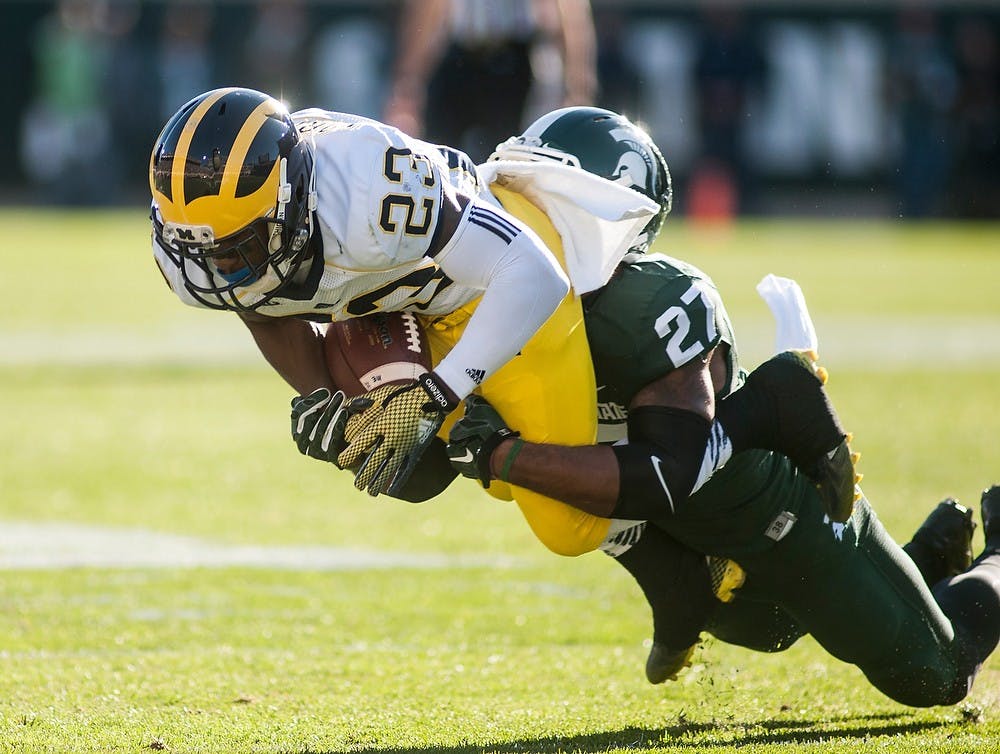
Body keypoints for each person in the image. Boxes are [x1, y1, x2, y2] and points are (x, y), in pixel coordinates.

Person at [149, 90, 855, 682]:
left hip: (490, 288)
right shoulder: (200, 243)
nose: (214, 266)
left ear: (291, 197)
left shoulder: (377, 190)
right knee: (413, 462)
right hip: (392, 300)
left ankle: (768, 408)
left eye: (235, 246)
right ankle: (674, 581)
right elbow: (255, 298)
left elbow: (535, 276)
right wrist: (321, 401)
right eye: (201, 249)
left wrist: (436, 394)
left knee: (565, 522)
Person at [446, 340, 1000, 705]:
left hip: (784, 517)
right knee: (761, 626)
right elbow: (663, 570)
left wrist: (502, 456)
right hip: (725, 529)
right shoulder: (508, 361)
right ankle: (927, 555)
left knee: (935, 676)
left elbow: (728, 404)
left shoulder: (638, 308)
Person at [383, 0, 597, 162]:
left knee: (507, 159)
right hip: (460, 58)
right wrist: (408, 81)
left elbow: (567, 12)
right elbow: (428, 10)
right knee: (438, 154)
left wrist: (577, 84)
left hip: (512, 63)